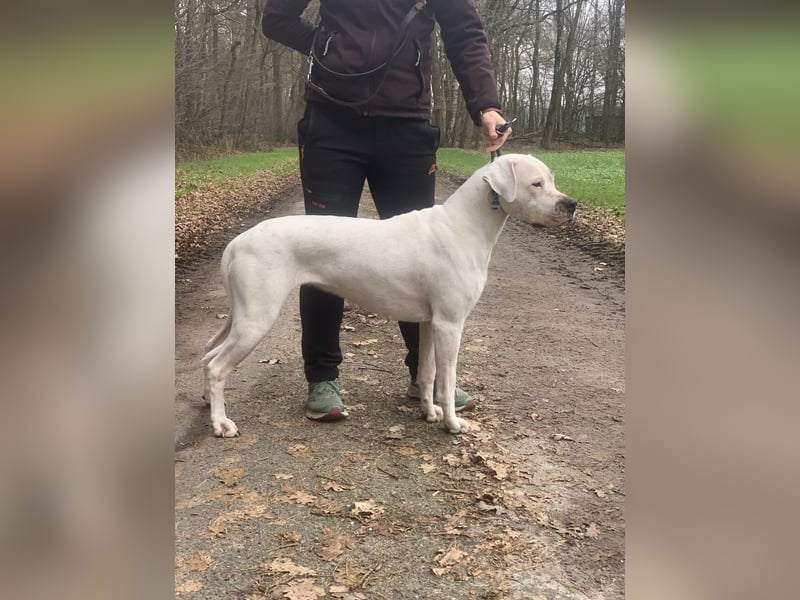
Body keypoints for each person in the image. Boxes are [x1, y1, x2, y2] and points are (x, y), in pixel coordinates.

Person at [262, 0, 511, 421]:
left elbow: (465, 35)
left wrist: (486, 104)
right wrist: (327, 45)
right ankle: (323, 376)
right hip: (330, 120)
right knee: (320, 251)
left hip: (406, 126)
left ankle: (423, 377)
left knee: (424, 258)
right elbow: (276, 18)